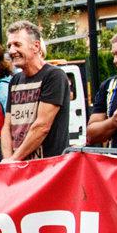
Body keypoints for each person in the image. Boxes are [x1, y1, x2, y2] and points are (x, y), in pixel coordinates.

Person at [4, 22, 70, 161]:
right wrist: (8, 161)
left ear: (36, 46)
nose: (11, 51)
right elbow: (6, 126)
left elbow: (42, 126)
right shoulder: (15, 80)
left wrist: (13, 160)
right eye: (9, 46)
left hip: (48, 167)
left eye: (17, 44)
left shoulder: (54, 76)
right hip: (19, 165)